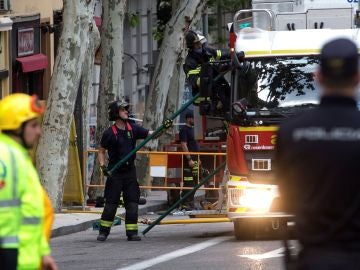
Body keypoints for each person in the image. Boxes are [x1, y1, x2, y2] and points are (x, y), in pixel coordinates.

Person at [275, 38, 360, 269]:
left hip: (313, 260)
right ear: (358, 76)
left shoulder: (290, 132)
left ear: (318, 76)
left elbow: (286, 197)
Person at [0, 93, 57, 270]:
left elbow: (31, 214)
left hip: (22, 260)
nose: (38, 131)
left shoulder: (18, 158)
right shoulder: (5, 158)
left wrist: (42, 253)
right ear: (16, 127)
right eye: (33, 125)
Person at [97, 100, 157, 242]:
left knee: (132, 203)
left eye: (126, 110)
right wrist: (103, 167)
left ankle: (132, 232)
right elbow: (101, 151)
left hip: (130, 172)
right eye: (123, 110)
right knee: (111, 205)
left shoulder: (133, 128)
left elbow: (150, 134)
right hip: (115, 172)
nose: (126, 112)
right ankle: (103, 232)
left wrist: (163, 129)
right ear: (116, 113)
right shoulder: (109, 133)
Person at [183, 30, 242, 116]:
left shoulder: (207, 51)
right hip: (205, 97)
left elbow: (222, 54)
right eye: (196, 44)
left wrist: (235, 55)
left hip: (219, 89)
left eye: (199, 42)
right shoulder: (189, 62)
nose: (199, 45)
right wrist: (206, 78)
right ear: (191, 46)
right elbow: (194, 80)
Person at [179, 110, 200, 210]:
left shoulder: (193, 130)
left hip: (195, 160)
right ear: (189, 119)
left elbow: (195, 145)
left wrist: (198, 158)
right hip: (189, 161)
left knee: (196, 183)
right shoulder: (184, 130)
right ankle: (185, 203)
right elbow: (184, 144)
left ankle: (190, 202)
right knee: (189, 183)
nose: (195, 120)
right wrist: (189, 159)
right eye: (193, 118)